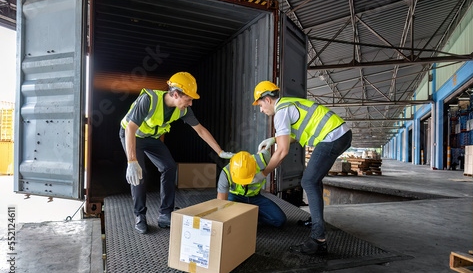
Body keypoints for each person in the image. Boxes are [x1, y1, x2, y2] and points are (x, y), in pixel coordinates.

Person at [120, 72, 234, 234]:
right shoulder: (149, 100)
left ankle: (165, 214)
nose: (191, 103)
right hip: (132, 135)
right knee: (140, 173)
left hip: (151, 138)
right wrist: (132, 161)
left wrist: (220, 152)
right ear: (175, 94)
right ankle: (140, 216)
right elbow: (131, 128)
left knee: (169, 167)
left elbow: (200, 130)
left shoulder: (183, 110)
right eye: (188, 99)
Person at [251, 81, 352, 255]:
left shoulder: (281, 112)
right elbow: (294, 137)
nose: (261, 110)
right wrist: (273, 140)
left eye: (260, 105)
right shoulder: (288, 104)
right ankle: (316, 221)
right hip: (340, 134)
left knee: (308, 181)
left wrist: (263, 173)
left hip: (332, 136)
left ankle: (318, 241)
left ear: (267, 99)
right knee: (314, 180)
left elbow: (282, 152)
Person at [217, 151, 286, 227]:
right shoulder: (226, 173)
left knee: (280, 220)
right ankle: (247, 217)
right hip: (235, 197)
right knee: (234, 222)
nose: (243, 184)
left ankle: (250, 216)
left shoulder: (262, 161)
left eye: (246, 179)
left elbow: (280, 157)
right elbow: (221, 203)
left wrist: (264, 173)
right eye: (240, 180)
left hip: (255, 197)